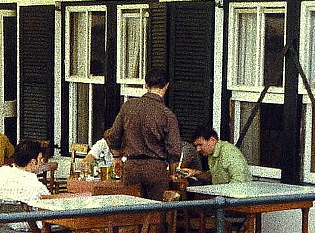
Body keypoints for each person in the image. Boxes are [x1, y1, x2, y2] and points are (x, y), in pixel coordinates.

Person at [104, 67, 182, 201]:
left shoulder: (128, 106)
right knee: (156, 214)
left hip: (132, 167)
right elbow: (174, 150)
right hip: (156, 168)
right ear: (166, 86)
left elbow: (113, 136)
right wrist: (173, 172)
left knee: (131, 212)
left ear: (146, 85)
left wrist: (117, 158)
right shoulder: (167, 114)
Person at [181, 125, 252, 184]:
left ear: (212, 140)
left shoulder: (229, 152)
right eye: (196, 146)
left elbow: (239, 181)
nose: (197, 149)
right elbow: (213, 176)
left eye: (200, 145)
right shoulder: (212, 154)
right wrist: (194, 173)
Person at [0, 139, 51, 204]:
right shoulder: (36, 186)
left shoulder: (2, 172)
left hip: (3, 212)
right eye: (40, 159)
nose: (42, 162)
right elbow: (50, 204)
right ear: (33, 162)